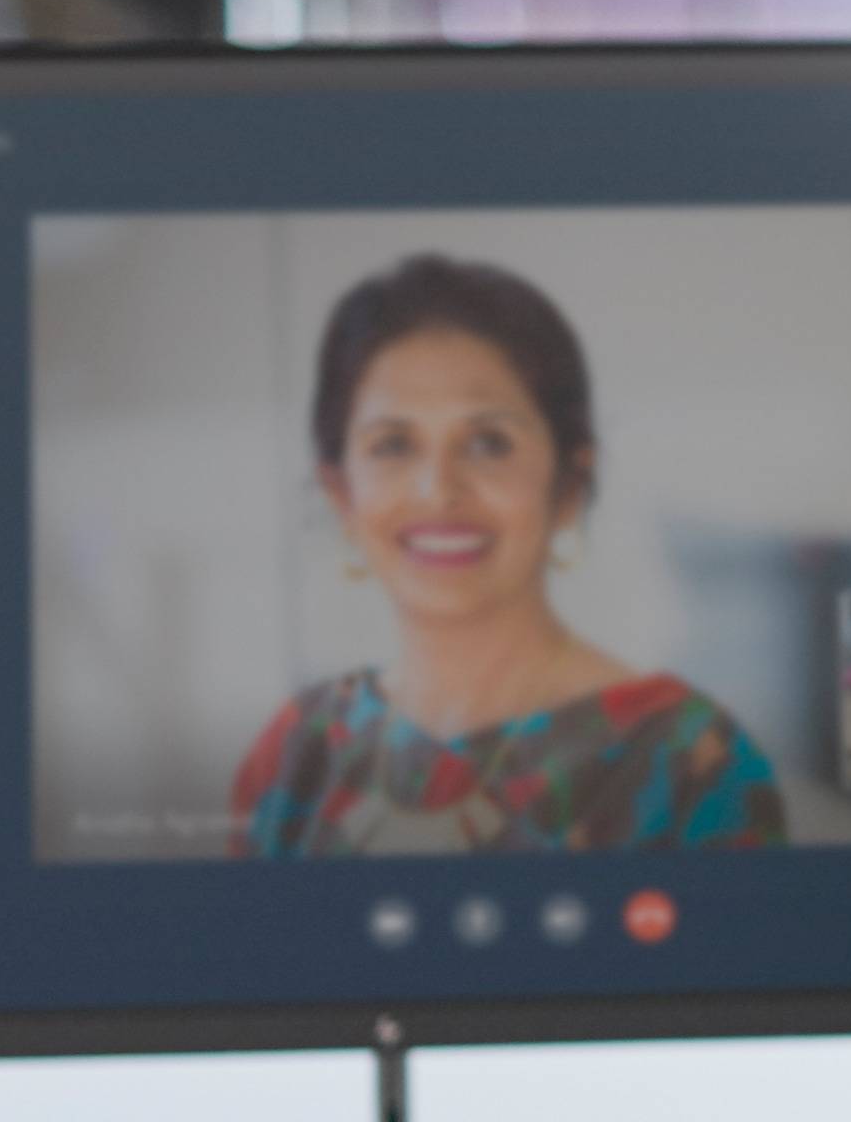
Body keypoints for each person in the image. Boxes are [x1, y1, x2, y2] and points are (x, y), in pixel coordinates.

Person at [231, 254, 786, 855]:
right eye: (393, 445)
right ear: (342, 494)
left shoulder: (689, 761)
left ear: (569, 484)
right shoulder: (299, 751)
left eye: (488, 443)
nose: (438, 491)